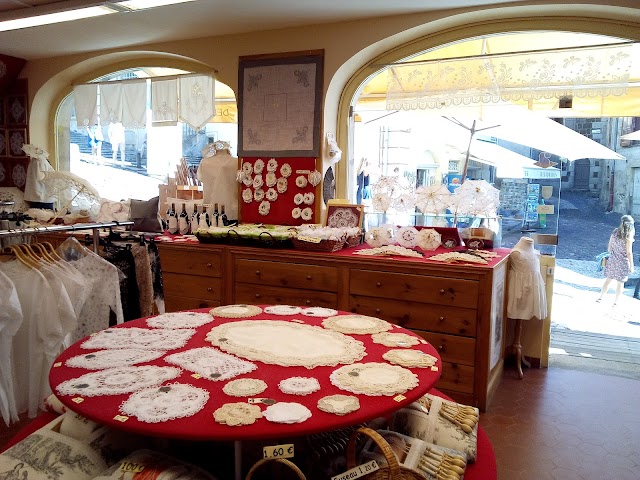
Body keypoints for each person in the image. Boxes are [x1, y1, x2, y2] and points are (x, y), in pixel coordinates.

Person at [597, 215, 635, 305]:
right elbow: (629, 252)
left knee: (608, 280)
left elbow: (609, 248)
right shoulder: (628, 236)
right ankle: (616, 302)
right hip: (623, 262)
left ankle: (601, 297)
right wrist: (632, 266)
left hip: (613, 260)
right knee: (620, 283)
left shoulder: (614, 232)